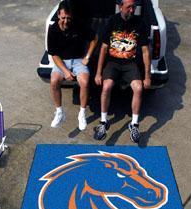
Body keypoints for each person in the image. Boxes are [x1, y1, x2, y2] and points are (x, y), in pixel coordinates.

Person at [94, 0, 151, 143]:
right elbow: (104, 48)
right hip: (113, 62)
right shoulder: (111, 21)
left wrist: (147, 77)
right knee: (106, 86)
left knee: (138, 88)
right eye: (129, 7)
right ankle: (103, 122)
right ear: (120, 7)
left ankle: (134, 124)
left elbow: (145, 51)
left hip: (130, 63)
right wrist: (98, 72)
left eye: (134, 7)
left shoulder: (140, 23)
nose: (132, 10)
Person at [47, 0, 98, 130]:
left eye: (68, 18)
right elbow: (54, 55)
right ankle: (59, 112)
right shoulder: (53, 30)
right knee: (54, 81)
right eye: (63, 18)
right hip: (61, 61)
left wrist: (87, 57)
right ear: (58, 14)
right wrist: (65, 71)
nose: (66, 21)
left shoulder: (79, 24)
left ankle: (82, 113)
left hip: (78, 59)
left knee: (85, 82)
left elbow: (94, 39)